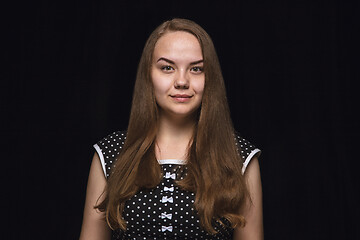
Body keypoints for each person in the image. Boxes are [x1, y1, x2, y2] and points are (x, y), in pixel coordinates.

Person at [79, 18, 263, 240]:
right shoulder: (111, 153)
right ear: (149, 75)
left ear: (210, 78)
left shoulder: (239, 156)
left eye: (196, 69)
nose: (182, 81)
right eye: (167, 68)